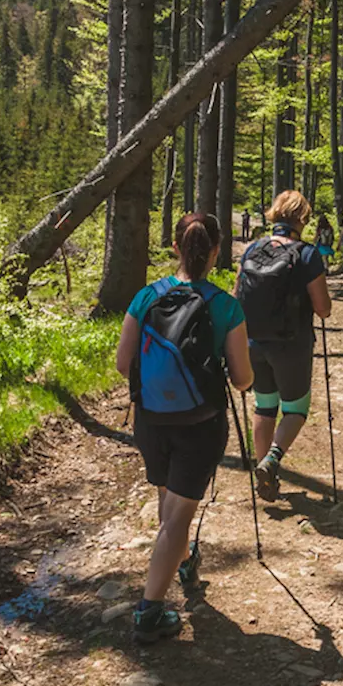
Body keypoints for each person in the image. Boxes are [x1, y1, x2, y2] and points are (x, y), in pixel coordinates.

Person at [116, 212, 253, 644]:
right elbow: (242, 379)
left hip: (151, 420)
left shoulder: (145, 297)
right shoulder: (225, 306)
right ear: (215, 252)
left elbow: (124, 364)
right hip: (200, 424)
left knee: (168, 499)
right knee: (178, 515)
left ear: (175, 247)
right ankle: (149, 610)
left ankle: (182, 557)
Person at [236, 191, 333, 501]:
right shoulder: (307, 254)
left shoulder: (253, 249)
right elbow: (323, 308)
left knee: (264, 408)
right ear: (302, 219)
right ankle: (273, 459)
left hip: (253, 342)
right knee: (295, 409)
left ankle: (264, 479)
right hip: (291, 346)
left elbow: (238, 295)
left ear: (274, 215)